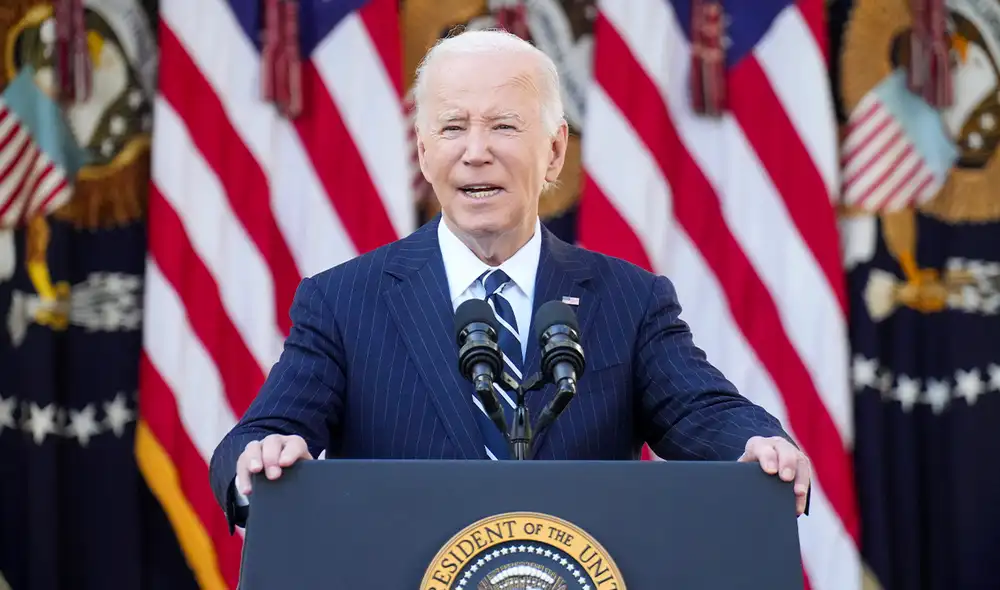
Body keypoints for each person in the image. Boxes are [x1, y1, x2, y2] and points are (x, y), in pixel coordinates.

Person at [208, 29, 811, 531]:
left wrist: (757, 444)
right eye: (452, 127)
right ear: (422, 151)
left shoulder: (631, 300)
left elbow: (704, 413)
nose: (476, 152)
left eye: (503, 126)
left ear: (554, 151)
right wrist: (257, 458)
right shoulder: (342, 301)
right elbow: (263, 433)